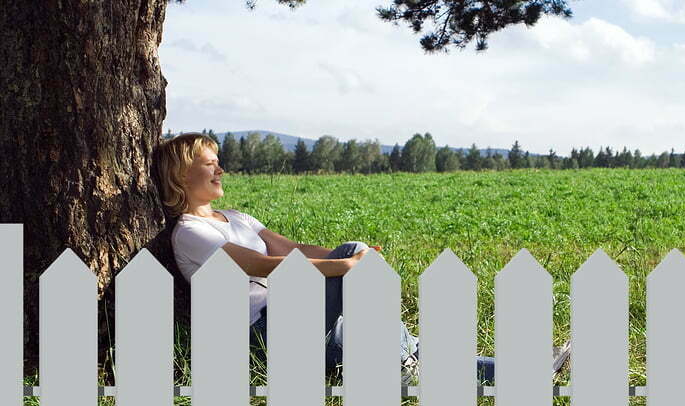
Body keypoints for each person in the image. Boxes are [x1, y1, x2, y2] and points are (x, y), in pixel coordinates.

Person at [157, 132, 506, 383]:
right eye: (209, 164)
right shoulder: (189, 232)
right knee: (398, 342)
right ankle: (406, 359)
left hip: (301, 319)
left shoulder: (235, 217)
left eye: (219, 163)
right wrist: (340, 268)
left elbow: (292, 250)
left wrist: (356, 262)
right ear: (181, 174)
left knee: (411, 350)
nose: (220, 170)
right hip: (263, 333)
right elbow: (258, 264)